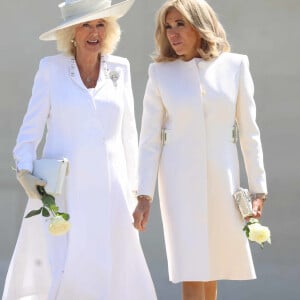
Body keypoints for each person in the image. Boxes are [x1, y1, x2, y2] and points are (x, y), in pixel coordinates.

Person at [3, 0, 157, 299]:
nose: (94, 31)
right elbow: (29, 132)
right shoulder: (50, 69)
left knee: (114, 270)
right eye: (85, 24)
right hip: (63, 190)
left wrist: (140, 193)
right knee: (64, 265)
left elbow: (128, 134)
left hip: (112, 190)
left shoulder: (120, 68)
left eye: (101, 24)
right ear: (71, 32)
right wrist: (24, 171)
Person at [133, 0, 268, 299]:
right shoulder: (160, 73)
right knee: (191, 265)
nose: (172, 33)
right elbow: (149, 140)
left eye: (180, 24)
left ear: (200, 25)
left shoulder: (235, 66)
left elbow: (249, 133)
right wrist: (144, 195)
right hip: (179, 183)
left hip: (224, 180)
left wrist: (259, 189)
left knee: (212, 266)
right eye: (168, 27)